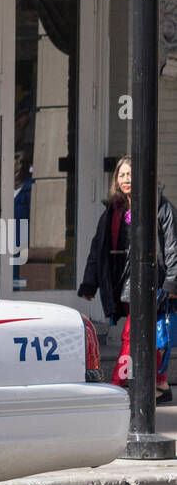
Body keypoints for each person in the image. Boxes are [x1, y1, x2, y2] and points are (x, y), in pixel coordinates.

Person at [79, 156, 177, 392]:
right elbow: (98, 250)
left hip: (154, 283)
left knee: (130, 335)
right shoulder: (113, 212)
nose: (126, 179)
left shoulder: (161, 207)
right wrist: (89, 284)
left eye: (131, 174)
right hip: (124, 284)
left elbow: (173, 247)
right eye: (122, 175)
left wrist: (172, 284)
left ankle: (117, 384)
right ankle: (160, 384)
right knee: (145, 333)